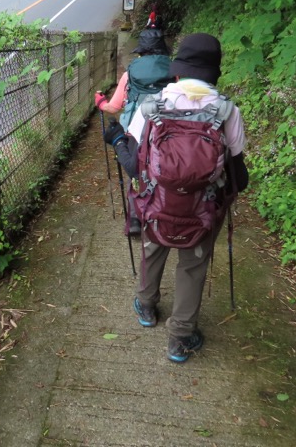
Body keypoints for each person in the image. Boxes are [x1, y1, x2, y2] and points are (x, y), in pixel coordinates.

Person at [103, 32, 249, 363]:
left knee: (153, 248)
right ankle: (181, 337)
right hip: (202, 210)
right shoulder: (227, 112)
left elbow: (135, 165)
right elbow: (239, 177)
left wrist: (117, 142)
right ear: (215, 72)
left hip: (156, 205)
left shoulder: (151, 107)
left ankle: (146, 304)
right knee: (193, 266)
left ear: (178, 69)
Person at [94, 28, 175, 234]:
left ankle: (135, 220)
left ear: (141, 52)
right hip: (168, 128)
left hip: (136, 130)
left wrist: (101, 102)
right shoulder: (176, 71)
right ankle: (164, 212)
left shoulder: (129, 73)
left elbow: (114, 107)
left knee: (137, 173)